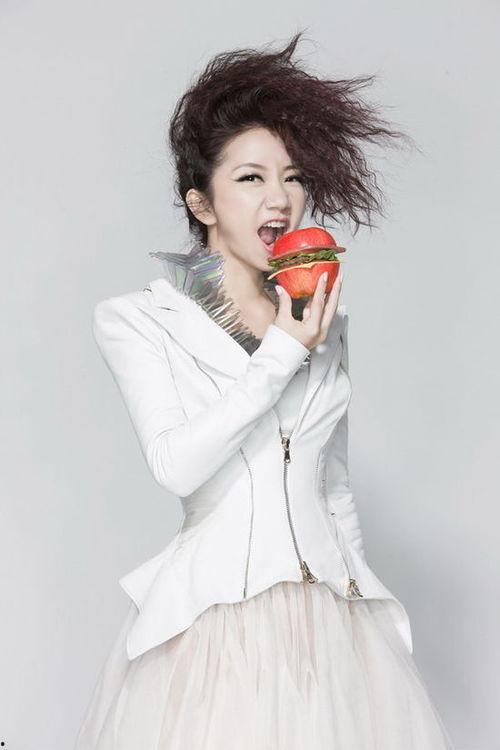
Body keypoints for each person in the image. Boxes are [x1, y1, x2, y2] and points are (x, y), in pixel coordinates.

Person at [75, 31, 455, 750]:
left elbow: (333, 486)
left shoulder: (322, 318)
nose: (279, 198)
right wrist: (283, 349)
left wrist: (366, 618)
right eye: (251, 178)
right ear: (203, 202)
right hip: (214, 632)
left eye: (292, 177)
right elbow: (177, 465)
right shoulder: (139, 319)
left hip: (331, 629)